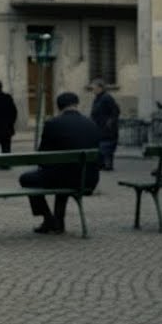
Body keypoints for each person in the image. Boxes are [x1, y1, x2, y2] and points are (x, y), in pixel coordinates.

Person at [19, 91, 101, 234]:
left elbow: (42, 157)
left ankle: (48, 218)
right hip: (88, 179)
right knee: (65, 173)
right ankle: (58, 221)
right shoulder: (91, 123)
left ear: (59, 107)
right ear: (76, 104)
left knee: (26, 179)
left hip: (62, 178)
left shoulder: (53, 124)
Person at [89, 78, 121, 171]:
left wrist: (110, 122)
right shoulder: (98, 98)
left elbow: (116, 111)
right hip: (100, 127)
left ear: (100, 88)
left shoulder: (106, 97)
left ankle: (107, 164)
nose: (92, 90)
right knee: (102, 146)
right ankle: (102, 164)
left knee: (106, 146)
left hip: (106, 129)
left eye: (94, 88)